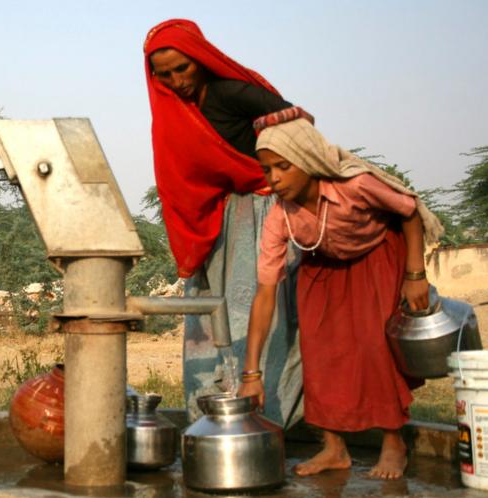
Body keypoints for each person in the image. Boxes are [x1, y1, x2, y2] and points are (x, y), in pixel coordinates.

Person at [238, 117, 443, 479]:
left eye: (284, 167)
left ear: (309, 160)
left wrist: (415, 275)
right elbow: (265, 292)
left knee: (375, 346)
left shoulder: (355, 185)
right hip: (323, 265)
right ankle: (334, 448)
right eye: (267, 169)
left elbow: (409, 211)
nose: (275, 178)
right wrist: (250, 372)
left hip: (377, 254)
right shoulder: (279, 217)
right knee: (318, 350)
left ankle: (394, 444)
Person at [144, 19, 310, 424]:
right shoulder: (178, 109)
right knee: (211, 317)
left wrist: (270, 176)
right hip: (219, 222)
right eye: (164, 74)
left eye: (182, 68)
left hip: (262, 212)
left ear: (200, 58)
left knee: (264, 315)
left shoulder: (231, 93)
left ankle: (271, 416)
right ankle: (213, 415)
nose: (175, 81)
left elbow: (298, 129)